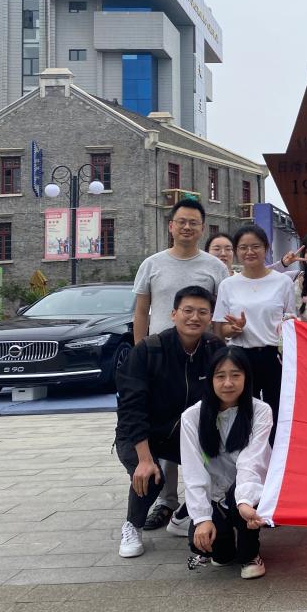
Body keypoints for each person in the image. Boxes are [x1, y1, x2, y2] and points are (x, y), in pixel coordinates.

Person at [132, 198, 229, 536]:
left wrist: (220, 355)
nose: (187, 227)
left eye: (194, 222)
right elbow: (141, 311)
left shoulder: (215, 267)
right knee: (164, 426)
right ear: (171, 226)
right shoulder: (152, 264)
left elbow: (219, 315)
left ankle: (198, 501)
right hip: (160, 359)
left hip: (202, 357)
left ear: (202, 228)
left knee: (202, 426)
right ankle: (167, 500)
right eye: (182, 221)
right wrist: (140, 353)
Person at [114, 286, 226, 558]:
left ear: (210, 317)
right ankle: (133, 525)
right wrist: (144, 458)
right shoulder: (148, 350)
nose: (194, 317)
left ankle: (181, 518)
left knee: (223, 468)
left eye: (202, 312)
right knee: (152, 476)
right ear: (173, 314)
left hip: (185, 434)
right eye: (188, 310)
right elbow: (131, 408)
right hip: (141, 434)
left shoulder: (215, 349)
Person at [182, 347, 272, 579]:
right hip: (215, 493)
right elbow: (193, 470)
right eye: (220, 376)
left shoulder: (260, 411)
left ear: (246, 378)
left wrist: (244, 501)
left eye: (236, 375)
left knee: (241, 504)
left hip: (246, 488)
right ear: (210, 379)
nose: (228, 383)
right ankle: (224, 542)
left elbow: (251, 461)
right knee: (213, 551)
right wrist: (202, 519)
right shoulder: (192, 416)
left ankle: (250, 553)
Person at [213, 224, 295, 435]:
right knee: (244, 412)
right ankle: (244, 453)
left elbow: (291, 322)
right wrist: (234, 329)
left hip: (274, 357)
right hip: (240, 356)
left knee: (277, 412)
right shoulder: (228, 285)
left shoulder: (283, 282)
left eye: (256, 246)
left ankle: (275, 454)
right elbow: (220, 330)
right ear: (237, 251)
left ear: (266, 248)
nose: (249, 252)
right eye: (243, 247)